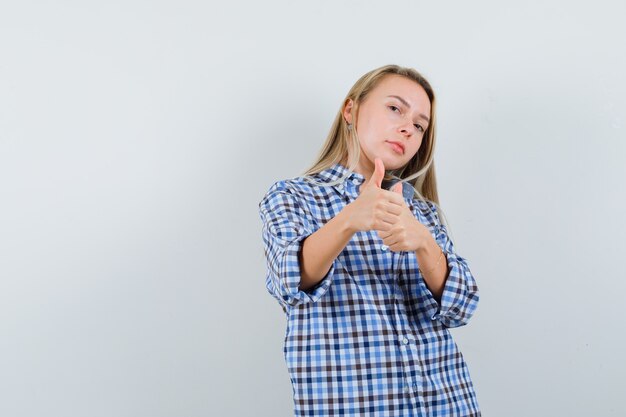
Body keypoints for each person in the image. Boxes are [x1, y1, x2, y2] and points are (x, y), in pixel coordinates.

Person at [258, 64, 480, 416]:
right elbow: (289, 280)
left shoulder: (422, 213)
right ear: (351, 110)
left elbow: (463, 305)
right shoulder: (291, 196)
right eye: (395, 108)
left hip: (447, 403)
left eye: (420, 125)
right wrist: (350, 218)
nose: (408, 127)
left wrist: (424, 242)